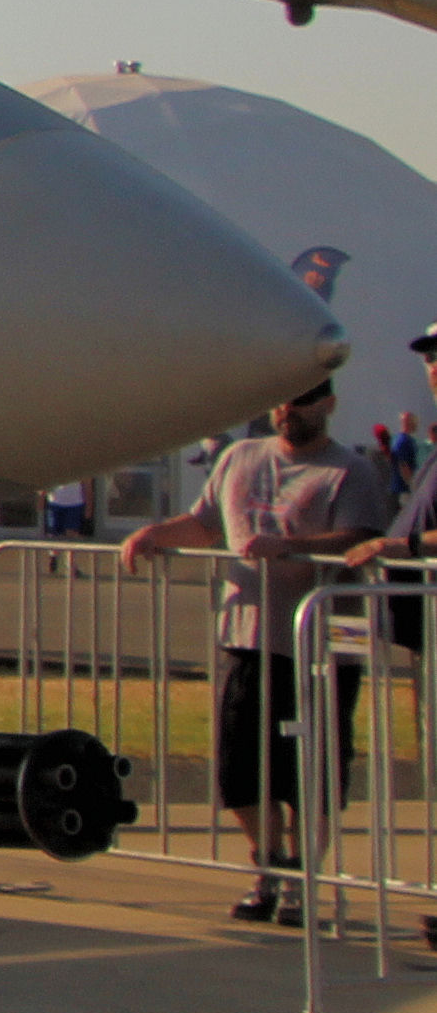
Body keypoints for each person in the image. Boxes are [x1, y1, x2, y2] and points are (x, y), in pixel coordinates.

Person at [125, 382, 392, 921]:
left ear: (330, 405)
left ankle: (303, 880)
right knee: (239, 770)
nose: (289, 409)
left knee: (311, 772)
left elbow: (359, 540)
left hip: (324, 646)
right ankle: (269, 866)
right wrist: (154, 532)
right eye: (282, 399)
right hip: (249, 638)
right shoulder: (239, 458)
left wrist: (289, 546)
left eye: (304, 400)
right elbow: (205, 523)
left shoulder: (350, 471)